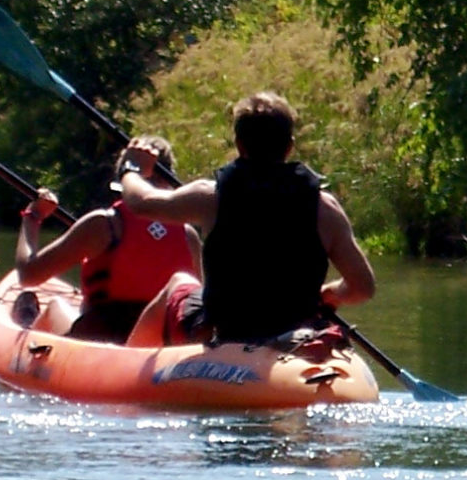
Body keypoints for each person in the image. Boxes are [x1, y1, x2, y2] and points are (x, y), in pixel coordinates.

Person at [116, 90, 376, 347]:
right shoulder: (324, 208)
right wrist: (330, 294)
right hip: (295, 331)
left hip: (228, 331)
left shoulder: (210, 197)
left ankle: (125, 371)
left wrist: (132, 168)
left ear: (239, 145)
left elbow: (141, 202)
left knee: (179, 283)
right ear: (289, 146)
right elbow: (362, 287)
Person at [13, 135, 201, 344]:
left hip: (100, 341)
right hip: (157, 346)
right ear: (169, 177)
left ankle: (23, 349)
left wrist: (33, 217)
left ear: (125, 178)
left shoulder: (103, 225)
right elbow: (195, 303)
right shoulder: (188, 234)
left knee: (55, 306)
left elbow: (27, 275)